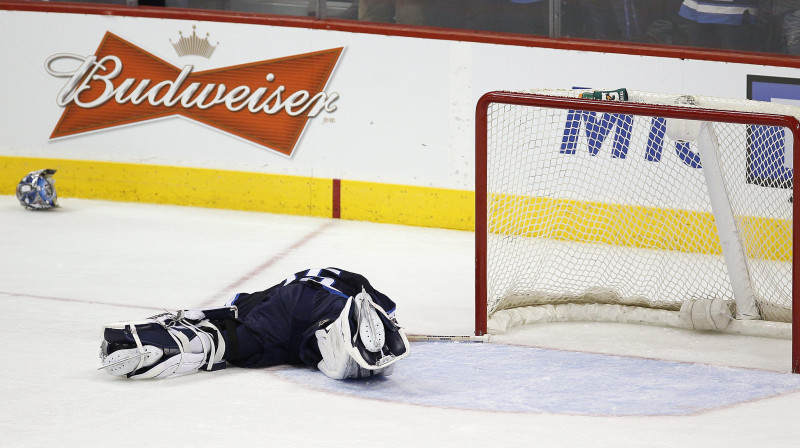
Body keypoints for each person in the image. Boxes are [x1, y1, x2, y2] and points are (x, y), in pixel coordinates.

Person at [99, 268, 410, 380]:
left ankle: (174, 341)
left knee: (227, 343)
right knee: (229, 342)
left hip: (296, 307)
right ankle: (180, 342)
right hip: (303, 307)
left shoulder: (272, 303)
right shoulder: (358, 297)